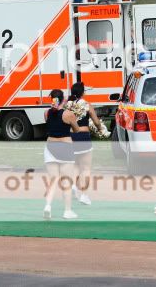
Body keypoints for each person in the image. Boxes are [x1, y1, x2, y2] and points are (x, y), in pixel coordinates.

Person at [43, 89, 81, 220]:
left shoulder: (46, 113)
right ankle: (67, 210)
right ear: (63, 99)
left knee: (53, 180)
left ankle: (47, 206)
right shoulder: (68, 114)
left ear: (52, 99)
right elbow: (76, 130)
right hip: (65, 147)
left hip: (50, 147)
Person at [68, 82, 104, 206]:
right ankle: (83, 195)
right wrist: (101, 129)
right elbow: (96, 121)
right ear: (82, 92)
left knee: (76, 165)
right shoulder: (87, 105)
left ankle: (73, 185)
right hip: (83, 137)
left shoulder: (68, 106)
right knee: (86, 168)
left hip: (71, 137)